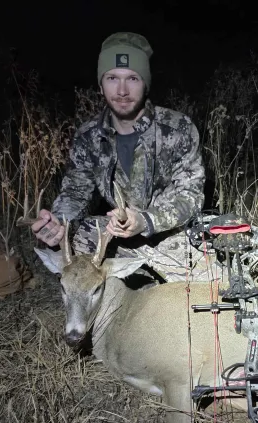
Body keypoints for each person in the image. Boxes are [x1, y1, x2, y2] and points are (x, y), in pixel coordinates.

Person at [31, 32, 218, 282]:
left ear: (145, 84)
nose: (121, 90)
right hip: (115, 235)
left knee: (213, 288)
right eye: (112, 78)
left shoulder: (178, 128)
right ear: (100, 85)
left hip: (170, 235)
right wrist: (59, 223)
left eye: (132, 78)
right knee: (77, 243)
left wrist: (145, 220)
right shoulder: (88, 136)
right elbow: (76, 192)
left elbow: (191, 197)